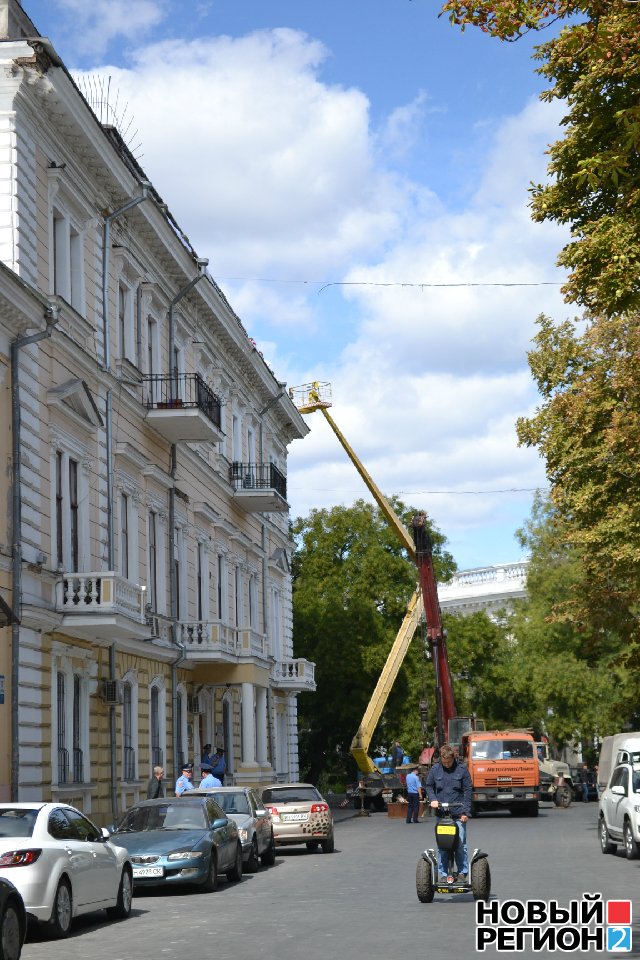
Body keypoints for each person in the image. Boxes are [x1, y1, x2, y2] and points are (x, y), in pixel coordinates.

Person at [426, 744, 472, 881]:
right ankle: (444, 874)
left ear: (454, 758)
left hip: (458, 814)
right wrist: (433, 799)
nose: (446, 764)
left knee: (460, 844)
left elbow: (468, 791)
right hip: (442, 815)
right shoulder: (435, 770)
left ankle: (463, 872)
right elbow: (428, 786)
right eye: (444, 762)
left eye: (449, 762)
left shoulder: (462, 770)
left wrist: (466, 812)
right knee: (443, 846)